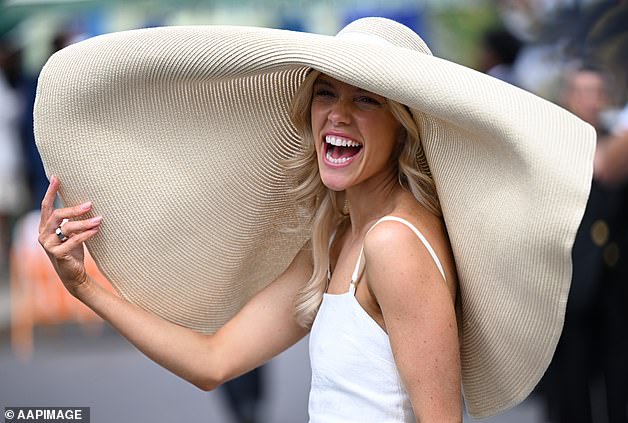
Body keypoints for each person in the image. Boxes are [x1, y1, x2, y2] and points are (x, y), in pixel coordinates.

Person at [34, 17, 595, 421]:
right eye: (326, 92)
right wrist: (85, 285)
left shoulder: (394, 244)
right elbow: (214, 361)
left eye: (367, 99)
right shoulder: (337, 238)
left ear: (403, 125)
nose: (339, 114)